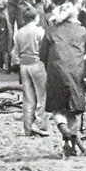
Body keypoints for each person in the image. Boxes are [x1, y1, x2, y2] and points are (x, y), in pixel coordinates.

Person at [41, 3, 86, 157]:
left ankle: (64, 132)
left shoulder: (50, 30)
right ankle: (72, 145)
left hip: (56, 72)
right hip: (76, 73)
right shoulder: (81, 31)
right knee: (73, 112)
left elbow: (42, 54)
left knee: (57, 109)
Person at [14, 8, 49, 137]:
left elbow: (15, 52)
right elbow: (44, 50)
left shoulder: (19, 32)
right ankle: (40, 125)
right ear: (36, 18)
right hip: (37, 62)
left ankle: (27, 128)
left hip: (24, 63)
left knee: (28, 98)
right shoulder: (40, 31)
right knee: (42, 96)